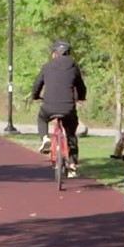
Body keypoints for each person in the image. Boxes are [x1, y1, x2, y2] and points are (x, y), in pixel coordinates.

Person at [31, 40, 87, 177]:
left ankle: (45, 138)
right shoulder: (74, 67)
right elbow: (81, 86)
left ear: (55, 53)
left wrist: (35, 96)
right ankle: (73, 164)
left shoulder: (47, 66)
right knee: (71, 133)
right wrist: (81, 97)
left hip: (49, 105)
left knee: (42, 118)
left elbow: (37, 84)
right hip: (68, 107)